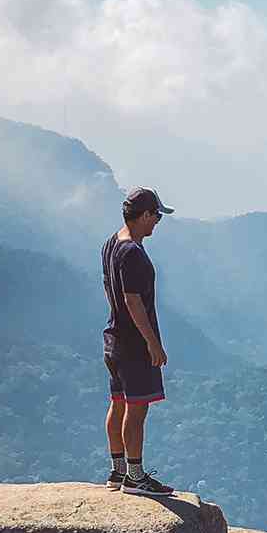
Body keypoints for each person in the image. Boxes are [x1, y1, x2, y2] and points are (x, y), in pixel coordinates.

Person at [102, 186, 177, 496]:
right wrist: (152, 343)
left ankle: (117, 471)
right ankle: (135, 477)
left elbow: (111, 291)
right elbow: (133, 301)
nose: (158, 221)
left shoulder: (111, 243)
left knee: (118, 403)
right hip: (134, 344)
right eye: (156, 215)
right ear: (144, 215)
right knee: (137, 408)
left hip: (114, 338)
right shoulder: (132, 251)